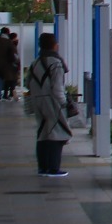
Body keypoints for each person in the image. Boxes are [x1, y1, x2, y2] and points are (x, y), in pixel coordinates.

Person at [27, 34, 71, 177]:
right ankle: (53, 168)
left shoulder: (35, 62)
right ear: (54, 45)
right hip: (51, 101)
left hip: (37, 100)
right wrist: (64, 103)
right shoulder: (55, 63)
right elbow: (57, 88)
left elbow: (28, 83)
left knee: (42, 133)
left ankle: (42, 167)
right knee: (55, 133)